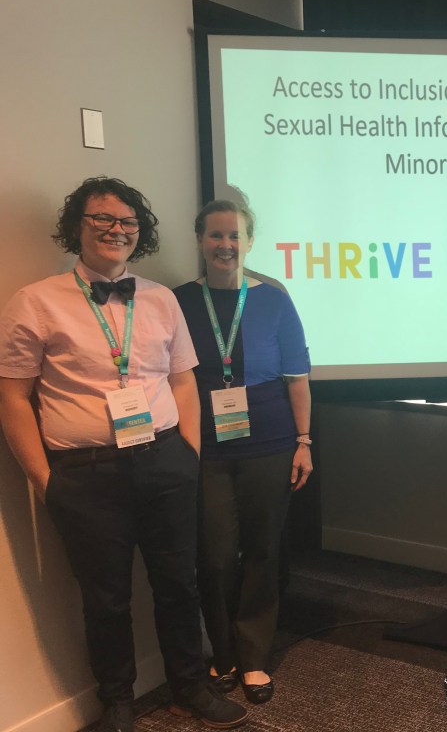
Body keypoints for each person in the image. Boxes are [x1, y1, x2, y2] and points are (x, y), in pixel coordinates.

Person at [0, 177, 248, 732]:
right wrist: (45, 482)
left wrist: (189, 453)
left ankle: (189, 684)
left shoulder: (161, 300)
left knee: (178, 584)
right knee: (106, 597)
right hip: (86, 475)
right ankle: (117, 703)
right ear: (77, 228)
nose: (116, 230)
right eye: (103, 220)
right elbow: (12, 397)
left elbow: (184, 381)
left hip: (165, 462)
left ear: (141, 233)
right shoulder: (35, 302)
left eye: (127, 223)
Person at [173, 199, 311, 705]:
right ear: (200, 241)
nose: (225, 245)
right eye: (215, 235)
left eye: (235, 236)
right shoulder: (179, 300)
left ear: (250, 241)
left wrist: (304, 441)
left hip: (272, 441)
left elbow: (298, 377)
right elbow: (172, 376)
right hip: (204, 445)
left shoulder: (274, 299)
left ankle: (252, 658)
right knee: (212, 557)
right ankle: (223, 651)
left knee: (262, 549)